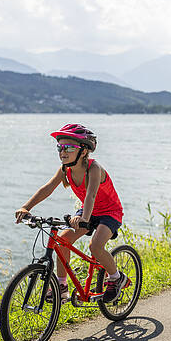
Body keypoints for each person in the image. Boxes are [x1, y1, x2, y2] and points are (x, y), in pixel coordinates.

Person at [14, 123, 127, 303]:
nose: (62, 151)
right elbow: (47, 188)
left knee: (95, 246)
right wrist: (26, 207)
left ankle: (116, 277)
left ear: (83, 151)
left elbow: (90, 195)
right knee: (63, 243)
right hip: (88, 211)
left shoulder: (94, 168)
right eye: (60, 147)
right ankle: (62, 285)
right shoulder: (65, 169)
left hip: (109, 212)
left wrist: (83, 219)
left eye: (69, 147)